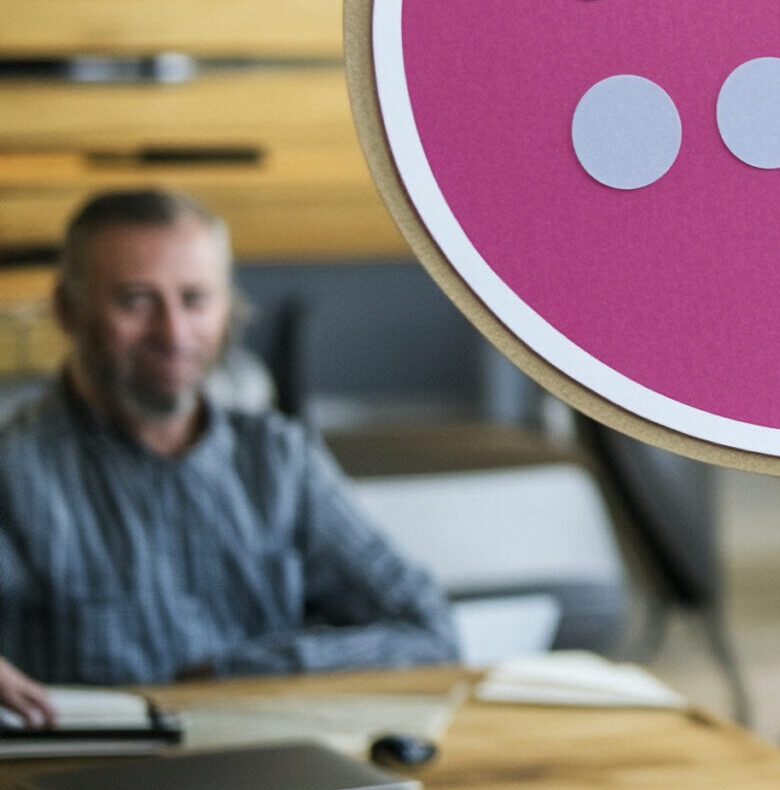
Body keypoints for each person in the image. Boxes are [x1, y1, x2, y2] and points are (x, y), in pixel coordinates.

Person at [0, 189, 456, 725]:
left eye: (195, 299)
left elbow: (428, 630)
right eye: (135, 300)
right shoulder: (14, 469)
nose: (173, 333)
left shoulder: (278, 459)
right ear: (67, 310)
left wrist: (243, 671)